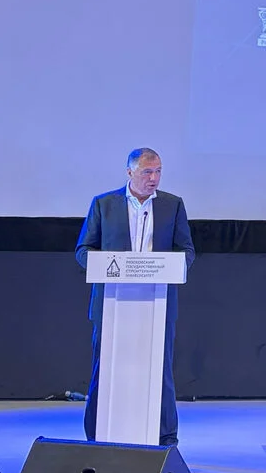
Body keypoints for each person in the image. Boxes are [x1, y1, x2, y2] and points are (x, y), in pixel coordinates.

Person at [74, 147, 195, 444]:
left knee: (161, 370)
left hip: (158, 304)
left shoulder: (172, 205)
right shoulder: (104, 204)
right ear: (130, 172)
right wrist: (107, 267)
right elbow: (83, 249)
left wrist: (167, 268)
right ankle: (96, 434)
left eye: (158, 172)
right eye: (147, 172)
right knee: (104, 369)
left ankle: (166, 438)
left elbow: (186, 251)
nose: (154, 179)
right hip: (112, 304)